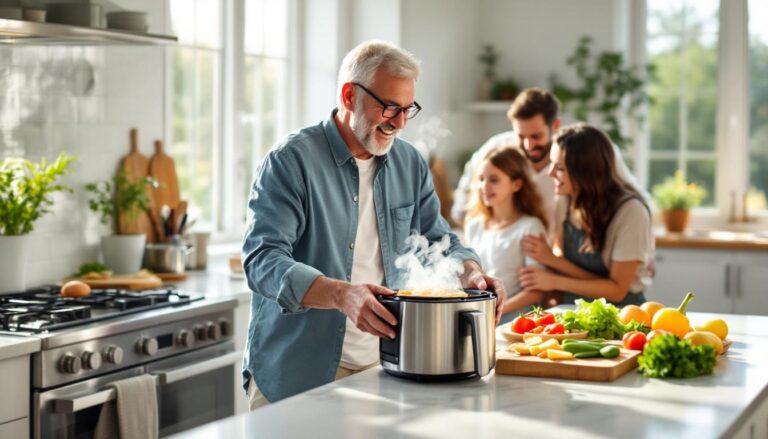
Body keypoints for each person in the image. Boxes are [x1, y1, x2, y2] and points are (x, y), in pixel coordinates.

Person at [241, 40, 506, 408]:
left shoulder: (410, 164)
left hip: (379, 367)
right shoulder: (290, 161)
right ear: (349, 96)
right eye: (388, 107)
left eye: (407, 109)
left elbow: (438, 240)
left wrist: (472, 274)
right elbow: (262, 261)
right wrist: (343, 295)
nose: (398, 123)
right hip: (298, 373)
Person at [451, 88, 648, 235]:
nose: (528, 145)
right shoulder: (498, 148)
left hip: (563, 255)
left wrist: (646, 251)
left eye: (536, 136)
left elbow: (635, 196)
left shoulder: (579, 151)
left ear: (555, 125)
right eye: (521, 136)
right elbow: (463, 200)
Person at [519, 124, 653, 306]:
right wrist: (552, 262)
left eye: (559, 168)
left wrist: (554, 275)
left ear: (585, 172)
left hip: (620, 314)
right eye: (552, 163)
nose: (550, 173)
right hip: (572, 309)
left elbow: (617, 290)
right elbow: (563, 257)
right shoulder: (566, 200)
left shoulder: (631, 212)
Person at [463, 146, 550, 322]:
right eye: (481, 179)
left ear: (516, 184)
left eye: (494, 180)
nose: (484, 187)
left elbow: (536, 291)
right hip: (480, 318)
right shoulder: (474, 226)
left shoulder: (530, 226)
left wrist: (494, 311)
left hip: (516, 322)